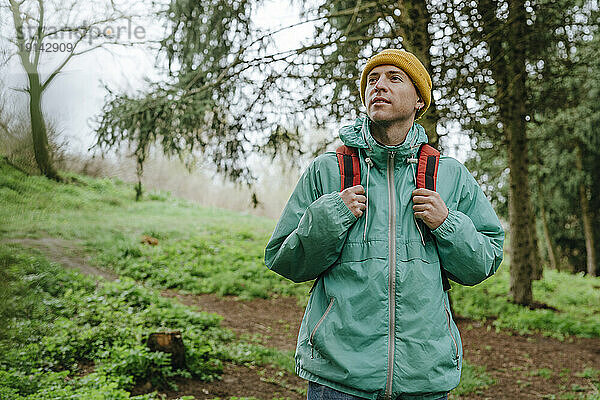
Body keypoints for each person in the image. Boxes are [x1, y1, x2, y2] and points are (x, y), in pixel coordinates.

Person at [264, 49, 504, 400]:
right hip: (338, 378)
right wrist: (332, 216)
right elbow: (285, 260)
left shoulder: (448, 175)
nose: (379, 86)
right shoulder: (328, 171)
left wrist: (447, 223)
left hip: (423, 378)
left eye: (395, 78)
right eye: (372, 80)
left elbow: (484, 262)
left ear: (419, 100)